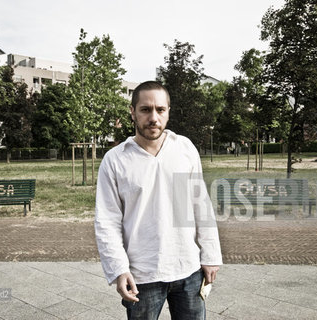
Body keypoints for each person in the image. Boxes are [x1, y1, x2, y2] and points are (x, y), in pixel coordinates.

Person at [95, 81, 223, 320]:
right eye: (145, 109)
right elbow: (107, 221)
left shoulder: (184, 148)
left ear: (168, 112)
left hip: (188, 268)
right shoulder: (115, 160)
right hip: (141, 275)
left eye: (160, 110)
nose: (153, 117)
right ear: (132, 112)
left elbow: (200, 205)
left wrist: (211, 255)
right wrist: (118, 270)